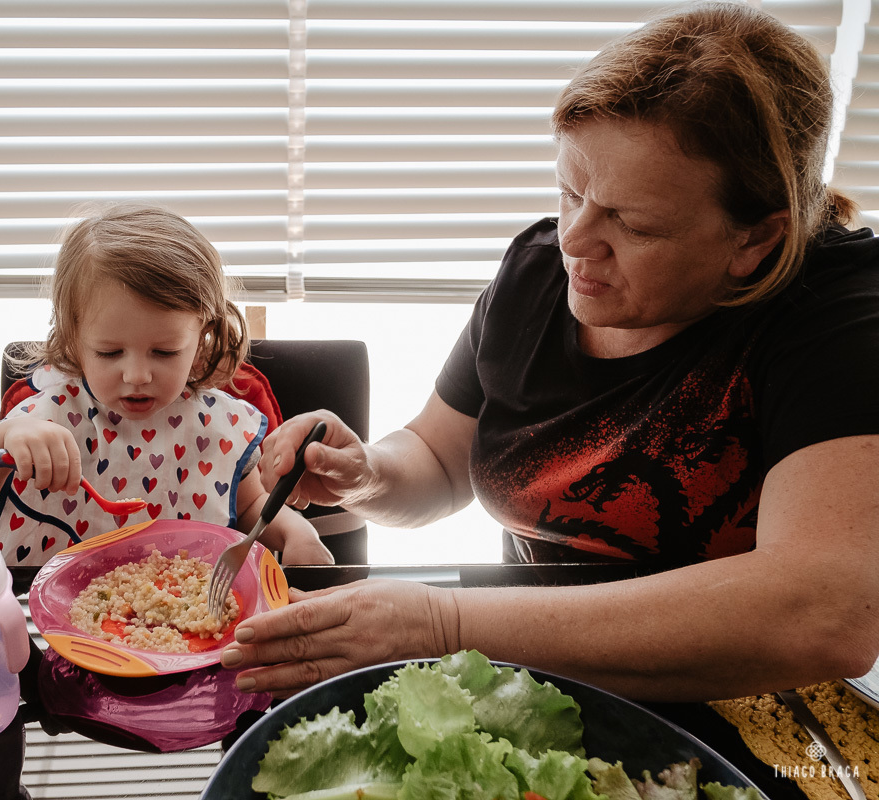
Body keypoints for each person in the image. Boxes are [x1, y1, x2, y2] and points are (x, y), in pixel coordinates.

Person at [220, 1, 879, 701]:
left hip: (746, 713)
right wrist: (369, 475)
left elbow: (825, 616)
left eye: (633, 223)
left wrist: (444, 624)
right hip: (533, 684)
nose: (574, 241)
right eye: (571, 192)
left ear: (755, 241)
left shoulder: (838, 318)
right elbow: (442, 461)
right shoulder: (539, 270)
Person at [0, 202, 334, 568]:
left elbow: (250, 505)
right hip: (56, 621)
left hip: (180, 630)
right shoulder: (46, 419)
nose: (137, 375)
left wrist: (297, 530)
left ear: (201, 340)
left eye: (164, 352)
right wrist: (8, 433)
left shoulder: (216, 426)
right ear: (74, 339)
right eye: (110, 353)